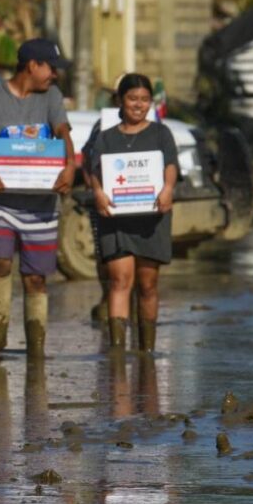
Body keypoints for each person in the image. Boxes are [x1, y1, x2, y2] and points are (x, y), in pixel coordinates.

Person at [0, 38, 76, 359]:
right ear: (32, 65)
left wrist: (70, 166)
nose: (54, 75)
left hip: (41, 203)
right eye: (51, 68)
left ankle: (36, 341)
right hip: (0, 198)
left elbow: (63, 132)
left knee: (35, 277)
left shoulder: (52, 97)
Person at [88, 73, 178, 351]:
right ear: (120, 100)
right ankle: (117, 351)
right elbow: (94, 172)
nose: (138, 105)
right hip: (116, 220)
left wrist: (168, 189)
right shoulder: (105, 137)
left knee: (148, 285)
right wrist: (98, 193)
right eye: (132, 99)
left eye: (144, 99)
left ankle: (146, 351)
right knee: (119, 281)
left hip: (152, 219)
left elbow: (171, 166)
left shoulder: (162, 133)